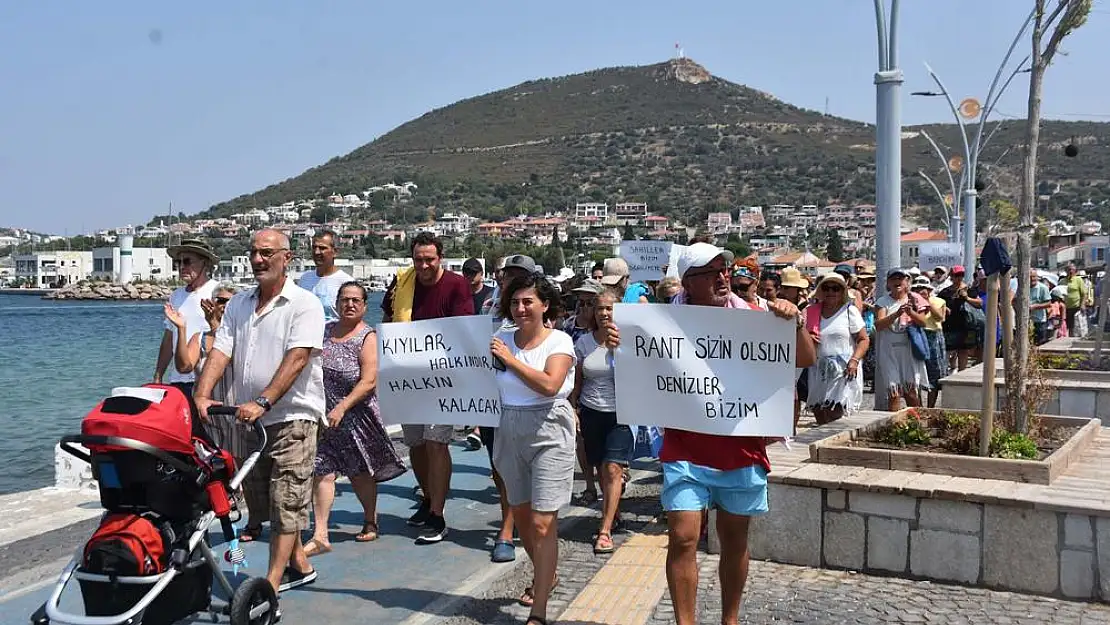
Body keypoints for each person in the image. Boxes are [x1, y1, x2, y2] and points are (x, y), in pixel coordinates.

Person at [623, 242, 814, 625]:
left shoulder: (757, 316)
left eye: (725, 270)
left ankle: (730, 620)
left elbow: (806, 358)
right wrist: (620, 342)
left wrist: (793, 323)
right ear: (689, 283)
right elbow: (636, 364)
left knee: (734, 540)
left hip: (740, 446)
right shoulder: (660, 322)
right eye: (712, 272)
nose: (724, 277)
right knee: (683, 536)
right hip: (686, 448)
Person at [193, 229, 325, 594]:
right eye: (253, 253)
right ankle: (299, 563)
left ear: (288, 258)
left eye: (267, 253)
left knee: (287, 499)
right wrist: (201, 395)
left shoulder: (304, 304)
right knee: (266, 501)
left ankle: (269, 582)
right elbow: (221, 351)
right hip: (247, 421)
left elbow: (298, 357)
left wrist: (265, 400)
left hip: (292, 417)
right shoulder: (237, 304)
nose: (257, 260)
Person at [489, 273, 578, 625]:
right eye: (515, 302)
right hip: (509, 427)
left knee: (543, 523)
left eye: (528, 302)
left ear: (545, 305)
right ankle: (547, 572)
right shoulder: (499, 339)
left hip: (549, 429)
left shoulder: (560, 341)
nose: (521, 308)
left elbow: (550, 384)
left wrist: (510, 360)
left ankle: (539, 609)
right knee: (523, 519)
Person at [381, 231, 473, 544]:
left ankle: (438, 512)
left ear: (440, 257)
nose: (423, 265)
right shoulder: (402, 282)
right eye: (418, 259)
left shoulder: (457, 285)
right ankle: (427, 497)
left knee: (436, 442)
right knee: (416, 443)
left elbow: (463, 329)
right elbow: (387, 318)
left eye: (429, 259)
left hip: (443, 378)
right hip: (407, 376)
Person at [304, 282, 406, 556]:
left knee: (360, 472)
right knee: (322, 471)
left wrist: (343, 407)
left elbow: (369, 381)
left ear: (363, 305)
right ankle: (321, 533)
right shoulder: (323, 332)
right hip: (326, 417)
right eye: (344, 299)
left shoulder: (367, 337)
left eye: (355, 300)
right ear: (336, 303)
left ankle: (370, 518)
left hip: (356, 415)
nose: (349, 304)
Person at [569, 289, 630, 555]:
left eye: (609, 308)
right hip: (592, 412)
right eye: (599, 308)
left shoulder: (631, 341)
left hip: (622, 414)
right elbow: (577, 381)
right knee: (599, 468)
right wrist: (573, 408)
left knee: (612, 468)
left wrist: (621, 352)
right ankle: (613, 509)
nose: (604, 313)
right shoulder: (584, 343)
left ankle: (604, 531)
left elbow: (641, 379)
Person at [155, 239, 218, 397]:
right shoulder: (176, 295)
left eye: (187, 261)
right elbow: (169, 338)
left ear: (204, 263)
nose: (182, 267)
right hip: (178, 379)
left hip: (207, 379)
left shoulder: (217, 291)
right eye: (178, 262)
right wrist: (158, 375)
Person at [804, 273, 868, 424]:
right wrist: (808, 338)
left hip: (843, 368)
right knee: (820, 412)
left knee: (834, 412)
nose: (831, 292)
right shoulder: (811, 311)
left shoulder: (848, 311)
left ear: (842, 292)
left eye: (836, 288)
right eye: (826, 288)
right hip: (818, 369)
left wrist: (854, 360)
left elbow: (864, 339)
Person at [874, 268, 931, 411]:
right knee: (894, 393)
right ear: (888, 283)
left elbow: (923, 322)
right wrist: (896, 314)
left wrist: (910, 312)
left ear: (907, 282)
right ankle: (895, 427)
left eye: (900, 278)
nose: (897, 282)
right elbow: (879, 325)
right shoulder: (882, 301)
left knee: (911, 393)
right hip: (889, 351)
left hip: (909, 350)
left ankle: (917, 427)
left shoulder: (915, 299)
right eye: (893, 279)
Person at [296, 230, 354, 323]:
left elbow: (352, 320)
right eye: (314, 247)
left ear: (335, 252)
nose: (317, 252)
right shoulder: (304, 279)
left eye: (322, 248)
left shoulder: (347, 283)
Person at [912, 276, 949, 408]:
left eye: (923, 288)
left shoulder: (939, 301)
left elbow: (940, 317)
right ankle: (918, 406)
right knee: (916, 372)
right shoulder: (911, 301)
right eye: (917, 289)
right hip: (916, 334)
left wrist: (927, 302)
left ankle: (930, 407)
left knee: (934, 374)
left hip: (933, 337)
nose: (920, 291)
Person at [938, 266, 981, 372]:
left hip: (965, 325)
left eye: (961, 275)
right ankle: (947, 371)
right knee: (948, 351)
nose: (959, 278)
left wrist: (967, 298)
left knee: (963, 351)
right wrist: (945, 308)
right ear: (951, 276)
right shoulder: (945, 292)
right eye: (957, 275)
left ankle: (962, 373)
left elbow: (979, 304)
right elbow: (937, 303)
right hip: (949, 326)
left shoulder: (969, 290)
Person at [1063, 263, 1091, 337]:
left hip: (1076, 307)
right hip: (1066, 308)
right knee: (1069, 327)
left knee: (1078, 326)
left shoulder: (1078, 280)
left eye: (1072, 270)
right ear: (1065, 271)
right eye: (1069, 270)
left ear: (1075, 271)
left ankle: (1078, 339)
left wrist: (1082, 305)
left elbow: (1084, 293)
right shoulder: (1062, 281)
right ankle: (1069, 340)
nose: (1070, 271)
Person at [1029, 270, 1053, 345]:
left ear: (1037, 277)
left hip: (1040, 321)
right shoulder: (1023, 287)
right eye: (1030, 277)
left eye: (1034, 277)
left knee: (1040, 343)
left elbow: (1049, 303)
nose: (1032, 279)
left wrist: (1035, 306)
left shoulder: (1043, 288)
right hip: (1027, 320)